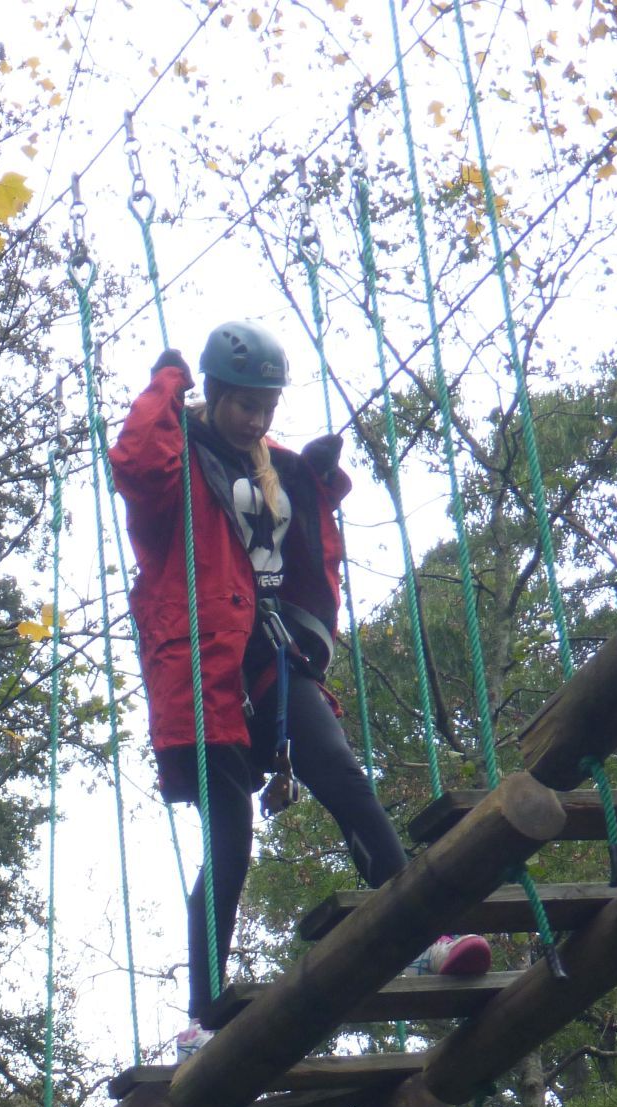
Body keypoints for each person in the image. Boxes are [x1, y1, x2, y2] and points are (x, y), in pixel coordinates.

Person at [108, 321, 490, 1055]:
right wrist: (166, 380)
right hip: (204, 670)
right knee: (230, 843)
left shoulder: (273, 465)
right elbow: (136, 461)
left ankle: (424, 936)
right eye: (244, 404)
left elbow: (307, 540)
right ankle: (203, 1015)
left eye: (267, 406)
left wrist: (317, 478)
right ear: (214, 395)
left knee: (345, 777)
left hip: (274, 657)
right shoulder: (177, 465)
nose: (256, 419)